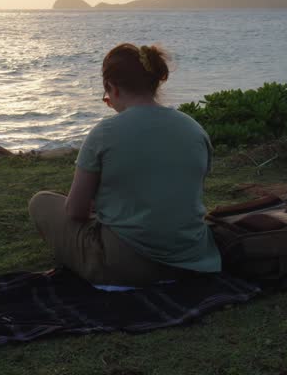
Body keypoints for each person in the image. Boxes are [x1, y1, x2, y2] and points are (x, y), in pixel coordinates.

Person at [28, 43, 221, 286]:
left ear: (111, 87)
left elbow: (76, 211)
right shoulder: (194, 129)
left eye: (106, 97)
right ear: (155, 83)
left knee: (42, 201)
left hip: (125, 266)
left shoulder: (104, 133)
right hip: (192, 259)